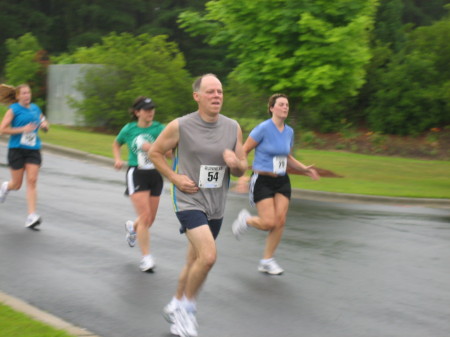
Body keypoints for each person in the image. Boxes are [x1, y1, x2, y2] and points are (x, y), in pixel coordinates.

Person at [149, 74, 247, 337]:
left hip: (216, 203)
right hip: (188, 199)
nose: (217, 96)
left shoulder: (232, 127)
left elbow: (241, 167)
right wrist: (174, 177)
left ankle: (176, 301)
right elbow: (154, 153)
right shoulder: (180, 126)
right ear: (197, 96)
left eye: (220, 91)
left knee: (195, 259)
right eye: (211, 92)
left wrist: (234, 163)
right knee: (209, 256)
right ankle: (186, 311)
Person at [232, 93, 320, 275]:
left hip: (282, 180)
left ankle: (267, 260)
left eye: (287, 105)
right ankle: (246, 220)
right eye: (281, 104)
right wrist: (242, 176)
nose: (285, 107)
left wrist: (304, 169)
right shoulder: (262, 129)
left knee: (280, 221)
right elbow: (244, 150)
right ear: (272, 108)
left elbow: (286, 156)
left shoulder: (289, 132)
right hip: (262, 180)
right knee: (268, 223)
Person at [112, 97, 165, 272]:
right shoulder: (129, 129)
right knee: (144, 216)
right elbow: (116, 143)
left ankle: (131, 227)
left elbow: (169, 150)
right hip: (137, 173)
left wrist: (164, 151)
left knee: (149, 219)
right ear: (137, 112)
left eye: (152, 108)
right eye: (146, 109)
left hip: (155, 174)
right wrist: (118, 159)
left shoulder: (159, 128)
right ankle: (146, 258)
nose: (150, 112)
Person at [0, 84, 49, 228]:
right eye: (24, 93)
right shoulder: (13, 110)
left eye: (29, 93)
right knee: (17, 184)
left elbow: (43, 122)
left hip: (33, 149)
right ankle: (6, 187)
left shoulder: (35, 108)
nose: (27, 95)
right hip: (16, 150)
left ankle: (31, 216)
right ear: (18, 96)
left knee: (32, 180)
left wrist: (45, 125)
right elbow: (2, 129)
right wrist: (23, 129)